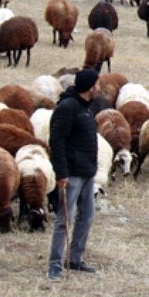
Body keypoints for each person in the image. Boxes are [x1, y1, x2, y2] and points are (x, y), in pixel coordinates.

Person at [48, 68, 102, 279]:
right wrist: (61, 173)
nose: (99, 87)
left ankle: (75, 258)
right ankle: (55, 264)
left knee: (87, 215)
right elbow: (57, 141)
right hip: (71, 174)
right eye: (97, 84)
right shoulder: (68, 107)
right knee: (64, 219)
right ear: (89, 87)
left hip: (87, 173)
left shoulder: (87, 108)